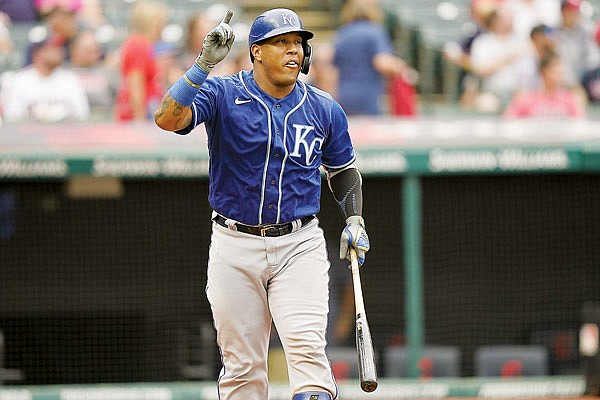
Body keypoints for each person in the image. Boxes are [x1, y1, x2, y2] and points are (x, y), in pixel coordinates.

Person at [154, 8, 370, 400]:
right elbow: (167, 119)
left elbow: (342, 170)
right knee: (242, 368)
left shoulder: (324, 108)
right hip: (235, 243)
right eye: (282, 42)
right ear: (256, 51)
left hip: (298, 244)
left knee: (308, 356)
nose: (294, 51)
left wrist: (354, 218)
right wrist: (203, 65)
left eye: (298, 44)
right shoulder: (223, 93)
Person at [332, 0, 414, 115]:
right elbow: (381, 62)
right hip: (367, 94)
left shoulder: (342, 33)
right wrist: (400, 67)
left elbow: (331, 64)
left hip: (344, 94)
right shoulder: (375, 32)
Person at [0, 36, 89, 122]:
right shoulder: (20, 80)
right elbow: (12, 117)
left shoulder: (70, 79)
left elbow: (82, 115)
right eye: (52, 49)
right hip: (29, 133)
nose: (58, 52)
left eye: (59, 49)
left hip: (64, 133)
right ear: (37, 54)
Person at [115, 0, 170, 121]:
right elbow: (135, 84)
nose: (162, 27)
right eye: (160, 22)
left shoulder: (144, 45)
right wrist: (139, 121)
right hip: (140, 116)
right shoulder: (138, 44)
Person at [503, 50, 585, 118]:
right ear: (543, 71)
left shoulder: (569, 99)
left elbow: (580, 122)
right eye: (554, 68)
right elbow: (509, 121)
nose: (559, 72)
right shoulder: (525, 99)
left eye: (560, 68)